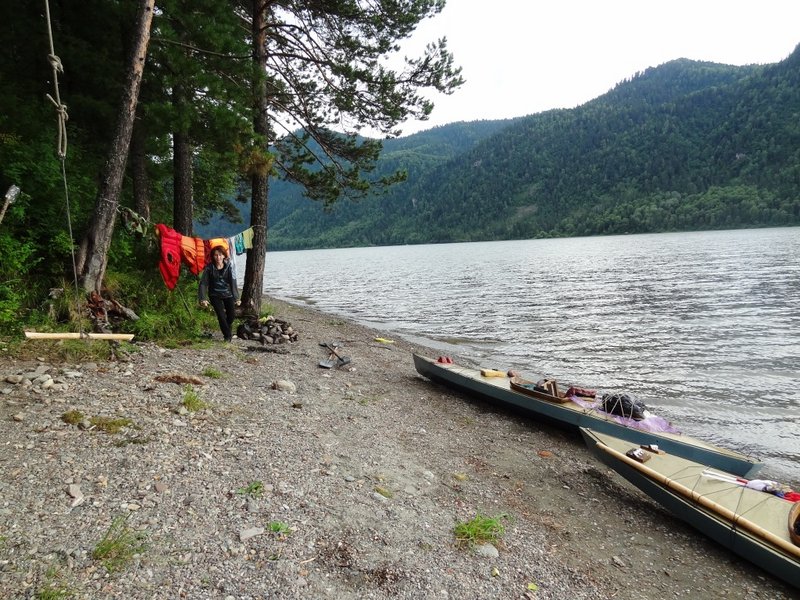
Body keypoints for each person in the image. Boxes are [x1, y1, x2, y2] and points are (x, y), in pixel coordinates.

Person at [198, 245, 240, 342]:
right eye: (216, 255)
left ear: (224, 256)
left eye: (220, 255)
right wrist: (203, 298)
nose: (218, 257)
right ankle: (227, 336)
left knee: (231, 315)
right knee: (221, 315)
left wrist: (236, 298)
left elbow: (233, 282)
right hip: (214, 295)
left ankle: (226, 328)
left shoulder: (229, 267)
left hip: (228, 294)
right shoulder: (209, 268)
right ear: (213, 256)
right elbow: (203, 283)